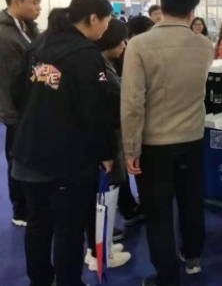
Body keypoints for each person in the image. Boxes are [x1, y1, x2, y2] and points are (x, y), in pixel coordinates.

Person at [10, 0, 114, 286]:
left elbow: (18, 88)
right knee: (69, 228)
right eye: (106, 21)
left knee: (38, 223)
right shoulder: (86, 55)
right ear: (92, 18)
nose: (106, 28)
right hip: (66, 158)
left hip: (28, 150)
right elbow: (95, 110)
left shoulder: (41, 42)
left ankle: (40, 280)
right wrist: (106, 152)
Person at [121, 0, 213, 286]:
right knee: (192, 201)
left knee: (158, 211)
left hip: (154, 142)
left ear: (161, 6)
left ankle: (167, 275)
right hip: (192, 137)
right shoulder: (204, 45)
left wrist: (130, 149)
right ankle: (193, 257)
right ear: (192, 11)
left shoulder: (139, 44)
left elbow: (133, 102)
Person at [84, 18, 132, 271]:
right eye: (121, 40)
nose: (124, 45)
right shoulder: (98, 66)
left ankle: (100, 248)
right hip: (105, 144)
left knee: (104, 198)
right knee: (105, 198)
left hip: (103, 142)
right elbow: (110, 102)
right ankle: (101, 255)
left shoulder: (101, 63)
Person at [0, 0, 41, 227]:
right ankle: (20, 210)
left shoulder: (27, 27)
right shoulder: (5, 36)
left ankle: (30, 205)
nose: (38, 7)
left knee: (28, 160)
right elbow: (18, 79)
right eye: (34, 2)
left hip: (30, 108)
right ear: (16, 1)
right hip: (17, 111)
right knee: (17, 162)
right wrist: (56, 77)